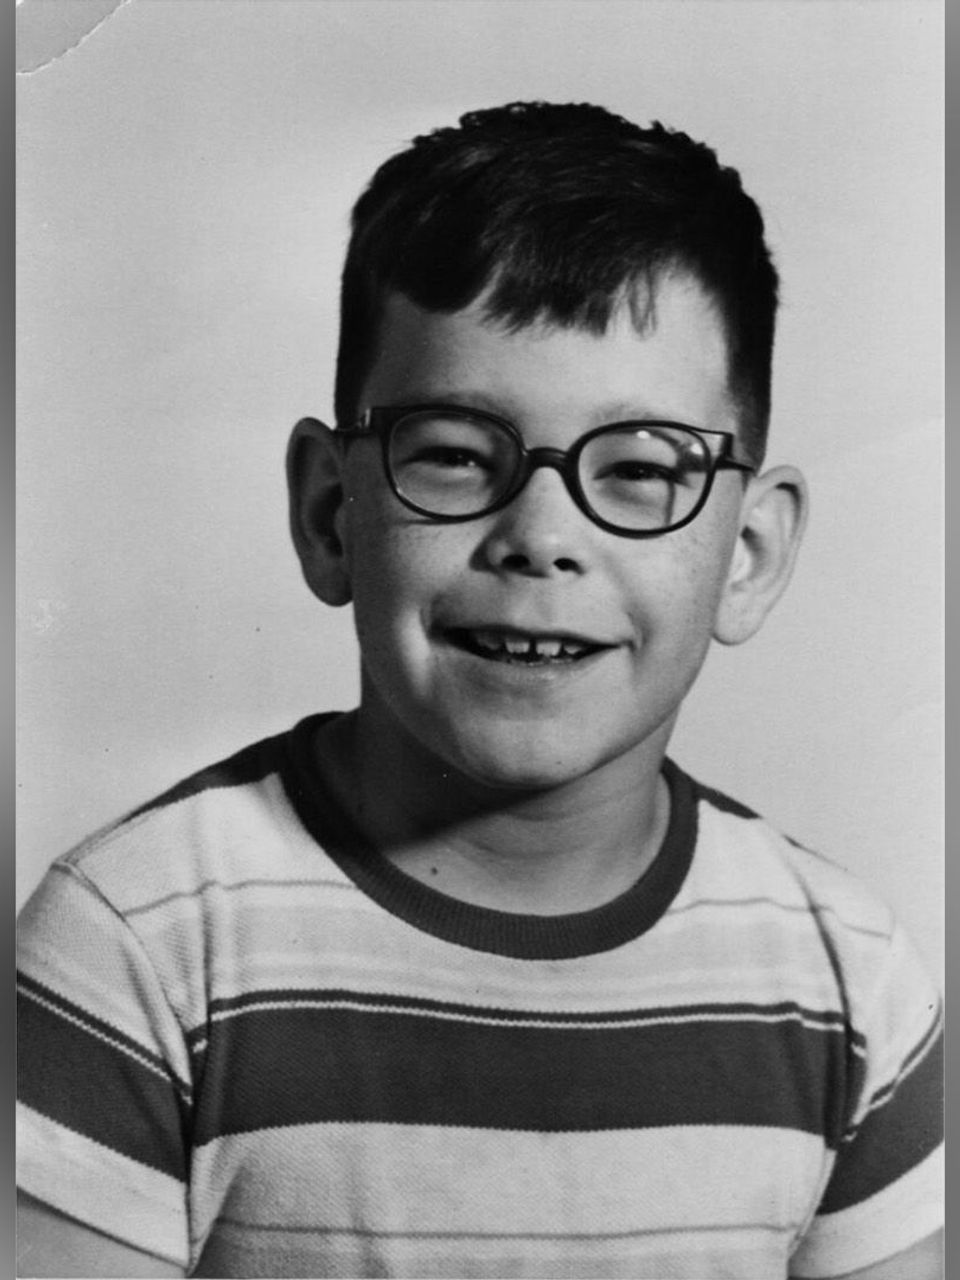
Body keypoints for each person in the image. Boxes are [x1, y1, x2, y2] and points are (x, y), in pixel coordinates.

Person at [17, 101, 942, 1280]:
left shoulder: (850, 984)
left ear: (749, 555)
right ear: (331, 511)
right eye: (456, 452)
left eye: (640, 468)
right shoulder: (134, 946)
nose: (541, 536)